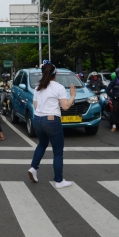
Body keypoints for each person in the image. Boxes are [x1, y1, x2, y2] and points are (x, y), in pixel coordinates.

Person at [27, 61, 76, 189]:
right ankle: (59, 181)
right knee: (58, 152)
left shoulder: (38, 88)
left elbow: (36, 106)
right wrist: (72, 96)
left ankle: (33, 167)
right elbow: (65, 107)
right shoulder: (58, 87)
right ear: (55, 73)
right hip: (52, 120)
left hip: (37, 119)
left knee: (42, 144)